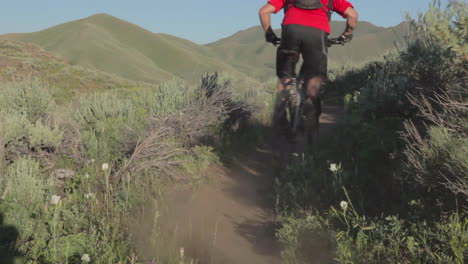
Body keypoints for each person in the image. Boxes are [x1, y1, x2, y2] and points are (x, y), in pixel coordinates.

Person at [258, 0, 358, 133]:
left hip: (291, 31)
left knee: (285, 76)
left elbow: (264, 11)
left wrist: (269, 33)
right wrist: (346, 35)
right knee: (315, 75)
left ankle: (281, 114)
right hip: (317, 33)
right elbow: (352, 16)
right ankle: (310, 102)